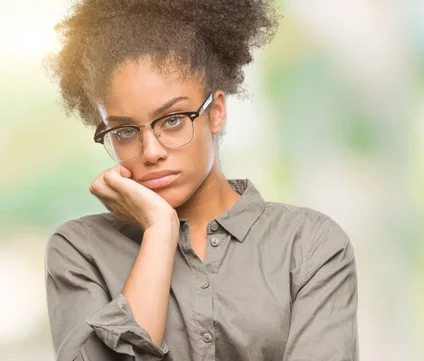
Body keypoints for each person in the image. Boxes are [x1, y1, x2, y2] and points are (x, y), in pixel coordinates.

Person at [43, 1, 358, 360]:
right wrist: (160, 231)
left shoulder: (309, 246)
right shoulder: (80, 251)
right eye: (125, 131)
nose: (151, 151)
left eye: (173, 120)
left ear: (217, 112)